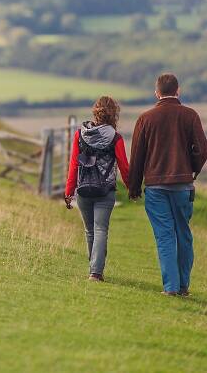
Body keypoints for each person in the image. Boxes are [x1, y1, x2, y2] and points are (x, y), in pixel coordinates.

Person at [128, 73, 207, 296]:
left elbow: (137, 157)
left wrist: (134, 188)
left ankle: (170, 288)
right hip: (183, 186)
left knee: (164, 235)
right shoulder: (190, 116)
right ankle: (183, 286)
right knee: (183, 234)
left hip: (155, 187)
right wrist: (190, 168)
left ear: (157, 92)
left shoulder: (145, 119)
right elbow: (203, 149)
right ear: (178, 90)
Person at [64, 96, 130, 282]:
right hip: (105, 191)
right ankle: (96, 272)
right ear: (114, 115)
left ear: (96, 112)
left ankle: (93, 269)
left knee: (90, 231)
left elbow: (73, 165)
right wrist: (131, 188)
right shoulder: (116, 138)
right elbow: (124, 166)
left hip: (83, 189)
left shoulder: (80, 134)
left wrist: (69, 191)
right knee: (101, 229)